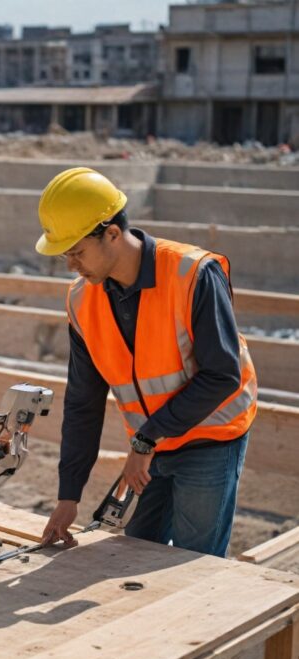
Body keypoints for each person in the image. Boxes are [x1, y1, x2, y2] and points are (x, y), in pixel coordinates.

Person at [36, 167, 257, 558]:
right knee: (135, 551)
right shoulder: (82, 300)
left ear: (113, 234)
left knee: (194, 565)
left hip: (210, 439)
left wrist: (146, 437)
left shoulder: (193, 274)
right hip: (152, 445)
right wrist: (69, 495)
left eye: (76, 251)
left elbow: (222, 375)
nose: (71, 264)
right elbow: (83, 402)